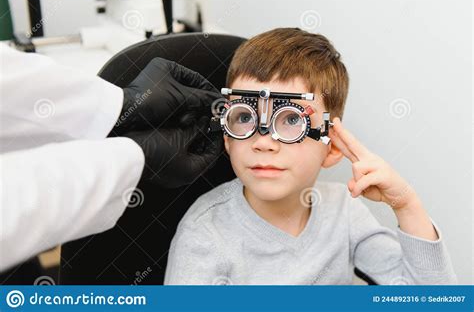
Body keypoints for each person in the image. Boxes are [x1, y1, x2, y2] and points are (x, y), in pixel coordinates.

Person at [164, 28, 457, 285]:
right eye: (244, 117)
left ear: (331, 147)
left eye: (291, 120)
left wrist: (406, 204)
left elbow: (431, 300)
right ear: (227, 135)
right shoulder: (205, 234)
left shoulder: (344, 212)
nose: (264, 143)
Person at [0, 44, 222, 271]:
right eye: (241, 117)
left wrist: (118, 105)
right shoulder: (200, 233)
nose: (261, 144)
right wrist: (133, 155)